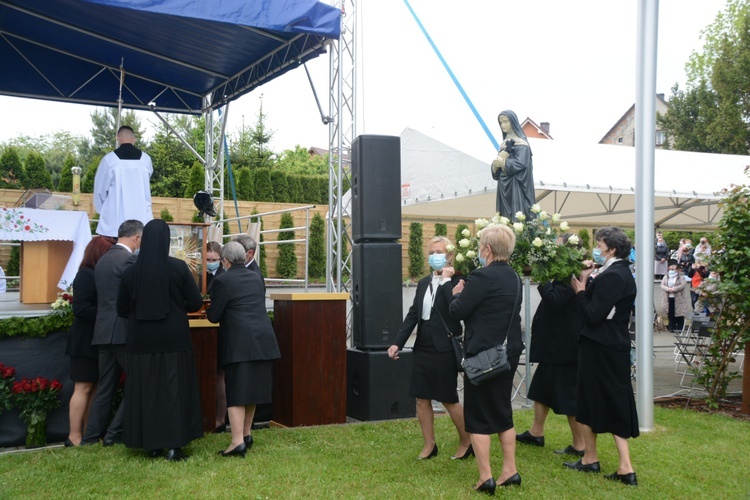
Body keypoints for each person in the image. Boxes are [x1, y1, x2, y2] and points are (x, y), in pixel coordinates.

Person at [116, 219, 204, 461]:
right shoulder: (178, 268)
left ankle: (151, 444)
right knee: (174, 391)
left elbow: (121, 308)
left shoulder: (131, 271)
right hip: (174, 338)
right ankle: (175, 445)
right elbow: (196, 302)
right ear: (166, 241)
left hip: (141, 340)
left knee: (147, 392)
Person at [449, 224, 524, 494]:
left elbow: (458, 310)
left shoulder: (481, 277)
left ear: (488, 250)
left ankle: (485, 477)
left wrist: (456, 294)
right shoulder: (514, 277)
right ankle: (510, 470)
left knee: (478, 414)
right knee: (503, 411)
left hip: (483, 355)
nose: (480, 251)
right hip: (508, 353)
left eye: (481, 246)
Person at [387, 236, 471, 461]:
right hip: (423, 346)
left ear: (450, 255)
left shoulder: (459, 281)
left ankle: (467, 441)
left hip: (444, 347)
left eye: (440, 252)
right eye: (432, 252)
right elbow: (414, 313)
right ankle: (429, 445)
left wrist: (445, 281)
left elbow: (453, 309)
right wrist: (397, 342)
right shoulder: (424, 282)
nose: (435, 256)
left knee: (448, 398)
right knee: (421, 398)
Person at [567, 226, 638, 487]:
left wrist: (581, 292)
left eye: (599, 244)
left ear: (613, 249)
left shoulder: (614, 276)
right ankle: (598, 459)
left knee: (593, 400)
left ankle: (613, 463)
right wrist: (589, 278)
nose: (596, 248)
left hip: (602, 346)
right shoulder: (614, 272)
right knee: (609, 400)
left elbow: (593, 314)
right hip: (609, 345)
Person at [206, 241, 281, 458]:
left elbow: (214, 316)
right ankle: (246, 434)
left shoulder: (222, 280)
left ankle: (237, 441)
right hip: (263, 339)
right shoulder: (256, 277)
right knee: (253, 391)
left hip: (240, 342)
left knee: (237, 392)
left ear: (226, 261)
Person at [516, 234, 585, 457]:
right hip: (553, 348)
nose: (552, 252)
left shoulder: (569, 276)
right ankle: (536, 433)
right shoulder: (562, 274)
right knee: (541, 390)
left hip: (563, 350)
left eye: (556, 248)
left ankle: (580, 445)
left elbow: (554, 302)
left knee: (568, 397)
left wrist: (542, 277)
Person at [82, 220, 143, 446]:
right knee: (138, 381)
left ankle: (90, 437)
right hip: (122, 332)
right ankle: (113, 434)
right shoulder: (129, 259)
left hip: (103, 331)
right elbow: (133, 294)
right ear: (136, 238)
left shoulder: (104, 259)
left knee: (105, 387)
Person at [65, 236, 115, 447]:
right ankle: (74, 435)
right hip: (84, 341)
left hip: (96, 339)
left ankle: (89, 433)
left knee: (94, 388)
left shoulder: (96, 274)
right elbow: (81, 308)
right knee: (83, 387)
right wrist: (106, 313)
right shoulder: (85, 275)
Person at [93, 125, 153, 237]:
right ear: (134, 139)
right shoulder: (146, 159)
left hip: (115, 221)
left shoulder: (109, 160)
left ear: (118, 138)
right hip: (141, 219)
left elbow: (100, 190)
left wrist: (104, 211)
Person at [490, 110, 535, 221]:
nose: (503, 125)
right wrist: (495, 166)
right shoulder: (503, 144)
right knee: (504, 217)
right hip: (503, 186)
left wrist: (503, 163)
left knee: (517, 215)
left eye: (506, 122)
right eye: (501, 122)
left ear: (513, 122)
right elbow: (497, 169)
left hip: (516, 186)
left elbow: (521, 164)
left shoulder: (522, 144)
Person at [658, 260, 691, 332]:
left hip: (678, 298)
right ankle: (671, 327)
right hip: (668, 298)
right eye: (670, 269)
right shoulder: (666, 277)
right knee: (670, 313)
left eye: (673, 269)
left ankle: (679, 328)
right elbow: (662, 285)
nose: (671, 271)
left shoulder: (681, 277)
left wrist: (674, 289)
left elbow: (683, 285)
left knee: (679, 313)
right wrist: (668, 289)